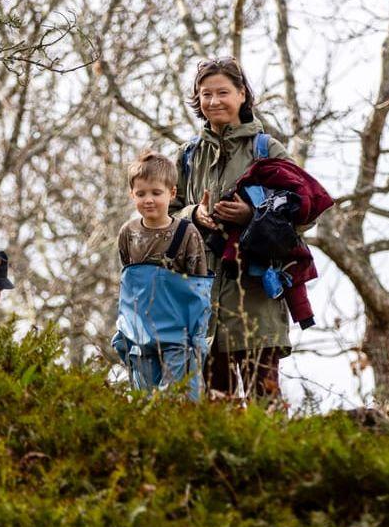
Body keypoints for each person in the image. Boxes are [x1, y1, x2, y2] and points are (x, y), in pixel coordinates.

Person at [174, 56, 300, 400]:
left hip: (256, 301)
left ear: (242, 94)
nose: (213, 101)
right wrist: (192, 215)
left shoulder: (267, 149)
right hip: (200, 307)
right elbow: (161, 220)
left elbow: (304, 212)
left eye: (223, 92)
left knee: (266, 406)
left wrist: (251, 214)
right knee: (215, 415)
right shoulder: (187, 156)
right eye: (205, 94)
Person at [112, 151, 211, 398]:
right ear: (131, 194)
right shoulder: (127, 233)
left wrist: (197, 337)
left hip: (178, 339)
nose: (149, 200)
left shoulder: (187, 233)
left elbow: (200, 287)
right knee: (143, 404)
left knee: (178, 401)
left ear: (172, 193)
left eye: (156, 193)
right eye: (141, 193)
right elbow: (128, 281)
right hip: (139, 338)